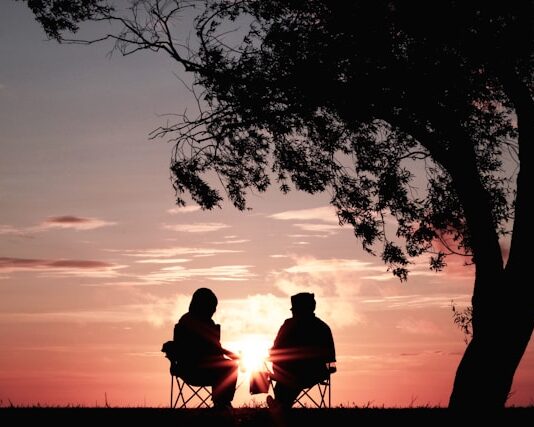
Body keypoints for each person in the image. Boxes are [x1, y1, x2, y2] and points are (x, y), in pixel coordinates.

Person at [171, 287, 239, 409]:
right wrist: (234, 356)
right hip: (194, 369)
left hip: (198, 368)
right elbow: (212, 348)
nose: (214, 310)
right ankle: (222, 404)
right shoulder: (191, 322)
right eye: (212, 306)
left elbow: (216, 349)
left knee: (229, 366)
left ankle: (222, 403)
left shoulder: (199, 321)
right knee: (231, 367)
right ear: (203, 305)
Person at [267, 292, 336, 409]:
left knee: (288, 380)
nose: (292, 312)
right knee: (291, 380)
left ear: (298, 309)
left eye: (294, 309)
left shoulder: (288, 325)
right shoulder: (323, 327)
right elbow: (330, 358)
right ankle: (281, 404)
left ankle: (280, 404)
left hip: (290, 373)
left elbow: (275, 350)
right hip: (315, 374)